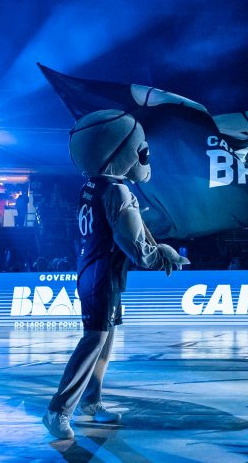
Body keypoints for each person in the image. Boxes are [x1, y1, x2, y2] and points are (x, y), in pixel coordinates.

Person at [43, 109, 187, 440]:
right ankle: (58, 410)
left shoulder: (91, 186)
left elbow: (123, 231)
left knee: (104, 340)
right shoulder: (117, 191)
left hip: (94, 271)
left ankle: (91, 402)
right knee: (95, 339)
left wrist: (153, 245)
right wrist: (161, 256)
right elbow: (134, 244)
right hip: (102, 274)